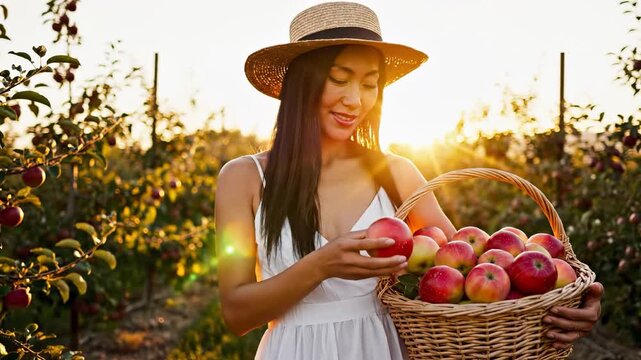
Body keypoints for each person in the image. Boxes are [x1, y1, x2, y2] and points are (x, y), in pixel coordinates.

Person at [215, 2, 604, 359]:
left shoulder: (396, 174)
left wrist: (567, 296)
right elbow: (237, 314)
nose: (356, 99)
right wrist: (321, 265)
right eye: (340, 78)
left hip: (390, 349)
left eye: (370, 84)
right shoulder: (245, 178)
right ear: (302, 83)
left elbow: (470, 275)